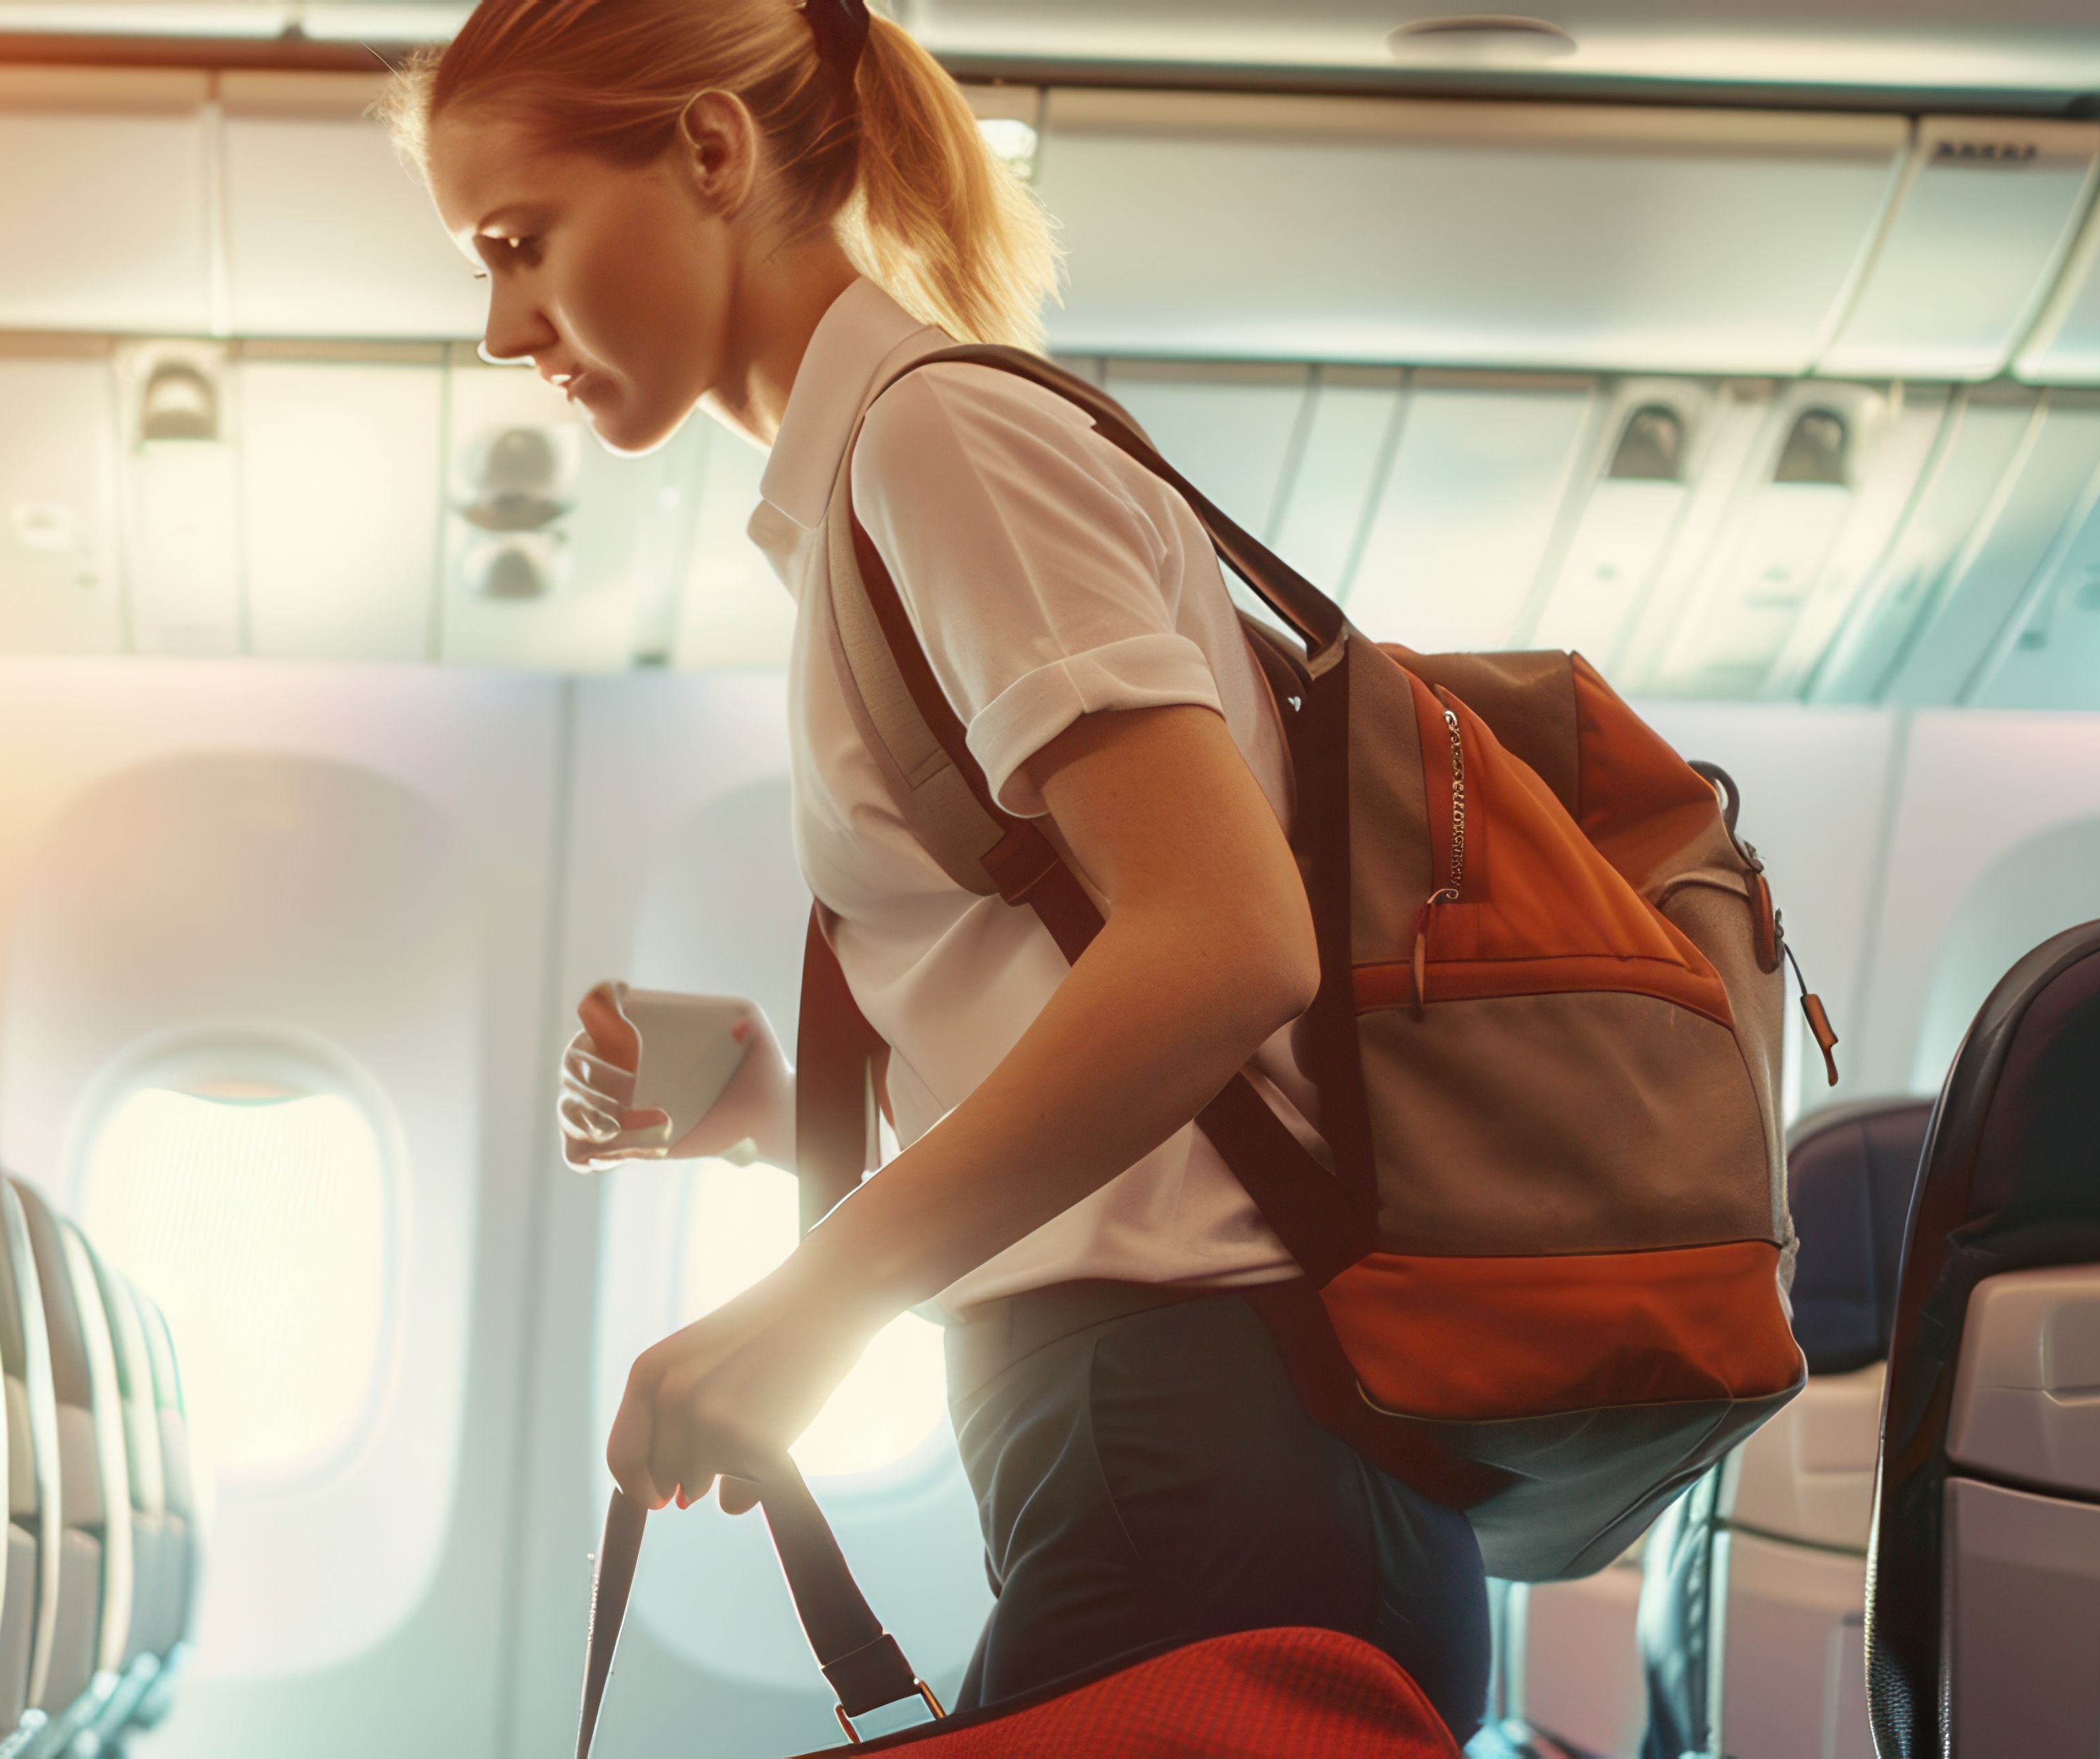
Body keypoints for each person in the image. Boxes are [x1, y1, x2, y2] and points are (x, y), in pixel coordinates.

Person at [395, 0, 1489, 1727]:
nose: (501, 326)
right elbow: (1126, 1020)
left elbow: (1225, 944)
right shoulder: (871, 477)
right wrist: (782, 1114)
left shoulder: (939, 442)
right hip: (1175, 1452)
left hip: (1201, 1449)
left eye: (520, 242)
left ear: (709, 149)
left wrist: (813, 1302)